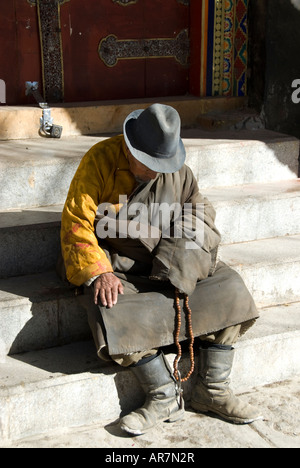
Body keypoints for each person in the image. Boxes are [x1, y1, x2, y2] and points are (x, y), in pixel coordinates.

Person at [60, 103, 263, 436]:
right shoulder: (99, 160)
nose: (157, 171)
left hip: (169, 264)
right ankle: (163, 395)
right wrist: (100, 272)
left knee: (230, 286)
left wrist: (179, 262)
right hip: (121, 267)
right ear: (129, 147)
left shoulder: (179, 171)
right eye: (149, 163)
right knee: (106, 305)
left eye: (162, 164)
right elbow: (76, 222)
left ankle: (211, 389)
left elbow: (200, 213)